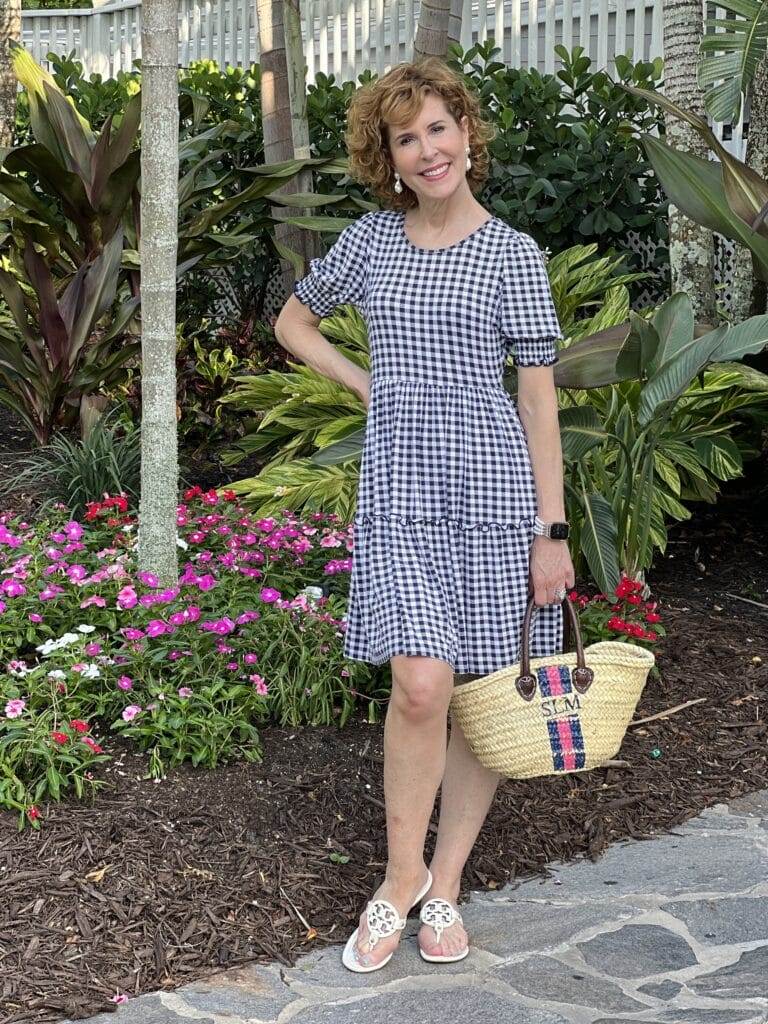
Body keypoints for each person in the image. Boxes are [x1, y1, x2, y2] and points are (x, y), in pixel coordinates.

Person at [274, 57, 575, 972]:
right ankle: (398, 881)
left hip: (493, 499)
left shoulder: (513, 253)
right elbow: (294, 324)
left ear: (467, 136)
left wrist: (551, 533)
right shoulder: (372, 242)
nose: (427, 149)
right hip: (402, 493)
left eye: (439, 128)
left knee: (482, 696)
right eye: (408, 138)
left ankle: (445, 883)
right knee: (420, 686)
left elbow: (539, 402)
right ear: (390, 157)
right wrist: (368, 385)